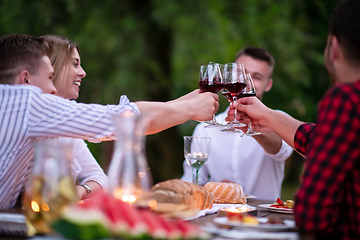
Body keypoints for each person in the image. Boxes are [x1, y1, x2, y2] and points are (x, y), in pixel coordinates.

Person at [0, 33, 219, 210]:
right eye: (49, 77)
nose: (54, 88)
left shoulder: (22, 110)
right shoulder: (28, 103)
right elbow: (122, 120)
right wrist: (190, 109)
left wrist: (188, 101)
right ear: (26, 80)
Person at [228, 0, 360, 238]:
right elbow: (318, 139)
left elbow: (313, 213)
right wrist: (269, 116)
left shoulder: (347, 99)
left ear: (334, 47)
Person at [181, 47, 293, 200]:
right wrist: (218, 190)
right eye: (242, 74)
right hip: (216, 219)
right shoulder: (205, 130)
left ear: (268, 84)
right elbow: (192, 181)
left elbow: (281, 150)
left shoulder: (280, 119)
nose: (246, 81)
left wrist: (252, 127)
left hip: (264, 219)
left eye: (257, 77)